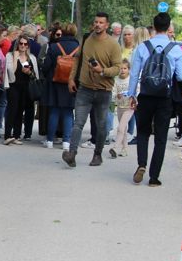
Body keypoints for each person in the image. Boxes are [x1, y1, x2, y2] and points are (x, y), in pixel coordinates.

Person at [127, 12, 182, 184]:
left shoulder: (143, 47)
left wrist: (132, 95)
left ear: (153, 27)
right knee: (160, 136)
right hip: (164, 97)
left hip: (146, 95)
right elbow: (181, 76)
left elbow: (134, 73)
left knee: (143, 132)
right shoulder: (176, 49)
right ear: (168, 28)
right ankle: (154, 177)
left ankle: (142, 164)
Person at [63, 13, 122, 168]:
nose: (97, 25)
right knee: (78, 123)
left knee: (101, 125)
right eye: (96, 22)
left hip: (103, 90)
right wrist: (71, 78)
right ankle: (72, 154)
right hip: (85, 89)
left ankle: (97, 154)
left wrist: (102, 71)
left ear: (107, 25)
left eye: (101, 22)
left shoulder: (113, 44)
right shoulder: (86, 39)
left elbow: (117, 68)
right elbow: (77, 59)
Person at [42, 23, 79, 150]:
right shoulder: (78, 48)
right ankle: (66, 141)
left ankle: (50, 140)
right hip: (71, 83)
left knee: (54, 111)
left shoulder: (54, 46)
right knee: (68, 112)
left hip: (55, 82)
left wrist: (48, 75)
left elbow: (46, 66)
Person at [3, 34, 39, 145]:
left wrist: (29, 72)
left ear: (28, 46)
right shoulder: (10, 56)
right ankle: (7, 135)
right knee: (12, 110)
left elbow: (35, 75)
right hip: (13, 86)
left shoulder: (31, 58)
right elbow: (11, 72)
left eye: (25, 44)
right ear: (17, 44)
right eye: (21, 43)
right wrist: (15, 58)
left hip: (26, 87)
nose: (23, 46)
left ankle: (16, 135)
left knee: (20, 110)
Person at [110, 60, 133, 158]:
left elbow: (137, 90)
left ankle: (115, 148)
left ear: (129, 69)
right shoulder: (116, 80)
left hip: (129, 107)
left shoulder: (131, 79)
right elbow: (113, 92)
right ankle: (125, 149)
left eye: (125, 68)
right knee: (123, 128)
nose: (122, 70)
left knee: (121, 127)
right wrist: (116, 96)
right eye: (121, 68)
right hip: (120, 106)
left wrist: (132, 96)